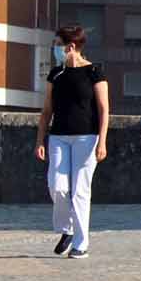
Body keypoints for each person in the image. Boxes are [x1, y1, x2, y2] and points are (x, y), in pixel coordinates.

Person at [36, 23, 108, 259]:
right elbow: (47, 110)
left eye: (58, 44)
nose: (55, 49)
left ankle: (81, 242)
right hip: (58, 137)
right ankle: (66, 229)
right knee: (56, 185)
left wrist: (102, 142)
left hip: (87, 138)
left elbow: (104, 109)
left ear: (71, 46)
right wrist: (40, 140)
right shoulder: (55, 74)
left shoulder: (94, 72)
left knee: (79, 191)